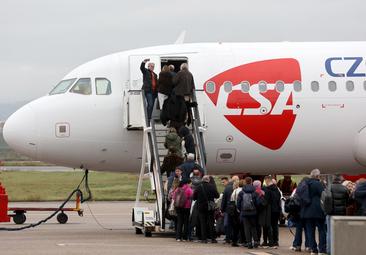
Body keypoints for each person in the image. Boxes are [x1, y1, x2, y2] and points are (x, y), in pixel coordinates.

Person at [300, 169, 326, 255]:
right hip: (318, 211)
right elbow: (323, 195)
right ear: (317, 176)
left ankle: (313, 250)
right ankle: (322, 249)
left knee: (310, 231)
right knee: (321, 230)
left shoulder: (305, 183)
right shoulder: (318, 184)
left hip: (307, 211)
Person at [325, 174, 349, 254]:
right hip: (341, 214)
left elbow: (325, 199)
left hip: (330, 213)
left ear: (333, 180)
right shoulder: (345, 188)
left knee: (329, 232)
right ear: (340, 180)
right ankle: (340, 249)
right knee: (340, 232)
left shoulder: (329, 187)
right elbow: (348, 202)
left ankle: (329, 250)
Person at [193, 175, 219, 243]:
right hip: (210, 207)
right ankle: (213, 238)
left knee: (202, 223)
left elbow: (194, 197)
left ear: (202, 180)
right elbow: (217, 195)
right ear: (208, 180)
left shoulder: (198, 187)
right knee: (211, 222)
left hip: (201, 207)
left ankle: (204, 239)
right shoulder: (212, 186)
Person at [237, 177, 260, 249]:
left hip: (244, 212)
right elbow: (258, 203)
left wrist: (241, 210)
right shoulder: (255, 192)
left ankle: (249, 243)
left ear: (245, 182)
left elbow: (238, 203)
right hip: (253, 212)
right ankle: (256, 241)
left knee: (246, 228)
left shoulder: (241, 192)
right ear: (251, 182)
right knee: (253, 227)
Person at [263, 176, 281, 248]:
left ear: (267, 180)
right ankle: (276, 241)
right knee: (275, 225)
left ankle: (270, 241)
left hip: (269, 210)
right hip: (276, 210)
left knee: (269, 225)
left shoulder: (267, 190)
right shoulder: (277, 189)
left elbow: (266, 201)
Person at [220, 175, 239, 244]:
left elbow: (224, 200)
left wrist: (222, 209)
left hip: (229, 209)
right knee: (236, 224)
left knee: (228, 224)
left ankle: (228, 238)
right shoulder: (238, 187)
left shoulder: (227, 188)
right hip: (237, 209)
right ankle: (236, 238)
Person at [254, 180, 270, 248]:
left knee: (253, 227)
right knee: (259, 227)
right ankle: (258, 240)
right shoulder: (262, 191)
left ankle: (255, 240)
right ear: (260, 185)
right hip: (261, 212)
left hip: (253, 211)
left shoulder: (253, 191)